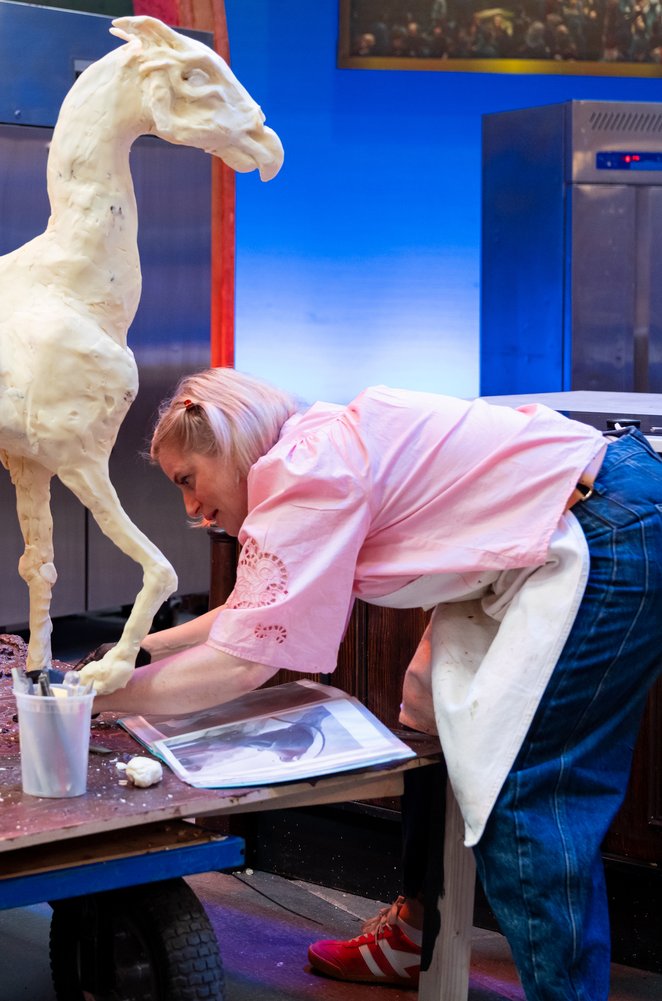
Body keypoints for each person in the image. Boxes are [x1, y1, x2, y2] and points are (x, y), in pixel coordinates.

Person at [99, 368, 662, 1000]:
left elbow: (242, 663)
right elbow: (253, 609)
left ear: (229, 446)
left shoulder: (302, 478)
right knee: (427, 706)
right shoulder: (311, 448)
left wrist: (90, 698)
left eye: (187, 480)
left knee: (528, 796)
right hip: (596, 502)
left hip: (605, 525)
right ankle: (416, 936)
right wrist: (136, 650)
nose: (191, 509)